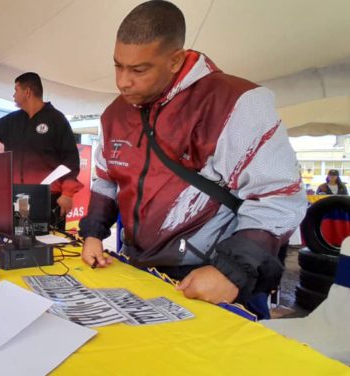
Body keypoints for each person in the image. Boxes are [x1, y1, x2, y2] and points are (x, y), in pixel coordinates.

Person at [78, 1, 306, 318]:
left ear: (175, 60)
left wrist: (230, 272)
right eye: (118, 65)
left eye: (139, 70)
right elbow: (106, 179)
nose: (123, 82)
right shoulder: (114, 115)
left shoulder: (235, 102)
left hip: (212, 280)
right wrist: (92, 233)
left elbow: (280, 196)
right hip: (139, 271)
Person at [0, 72, 82, 230]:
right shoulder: (12, 121)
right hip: (20, 197)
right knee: (21, 243)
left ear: (27, 92)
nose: (13, 95)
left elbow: (71, 159)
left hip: (48, 198)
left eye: (16, 90)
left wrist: (67, 193)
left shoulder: (57, 120)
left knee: (49, 247)